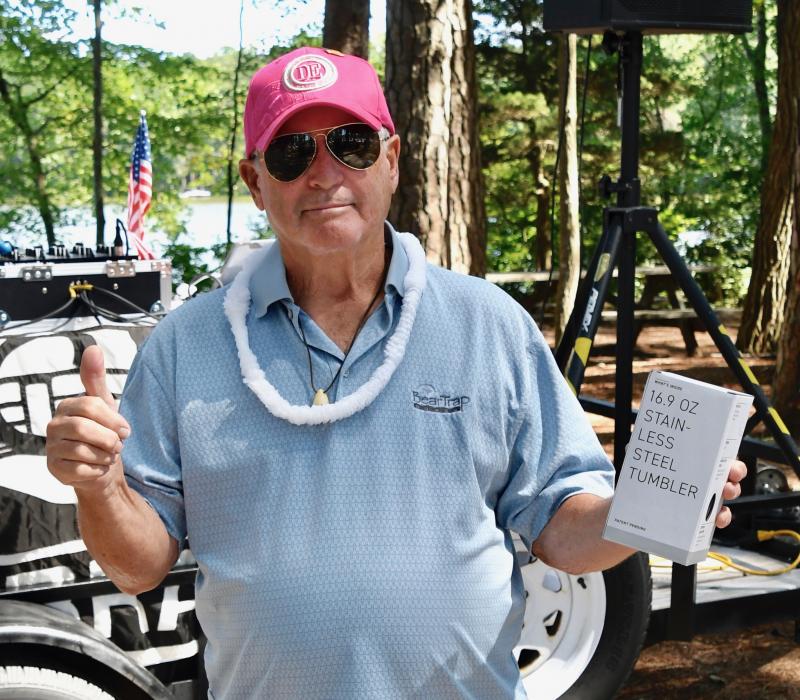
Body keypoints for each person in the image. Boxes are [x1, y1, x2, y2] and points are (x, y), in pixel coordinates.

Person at [45, 46, 747, 699]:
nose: (324, 174)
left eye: (350, 144)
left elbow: (560, 531)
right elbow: (137, 566)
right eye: (292, 153)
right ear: (255, 182)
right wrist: (100, 486)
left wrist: (652, 505)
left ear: (392, 159)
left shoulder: (487, 323)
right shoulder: (185, 344)